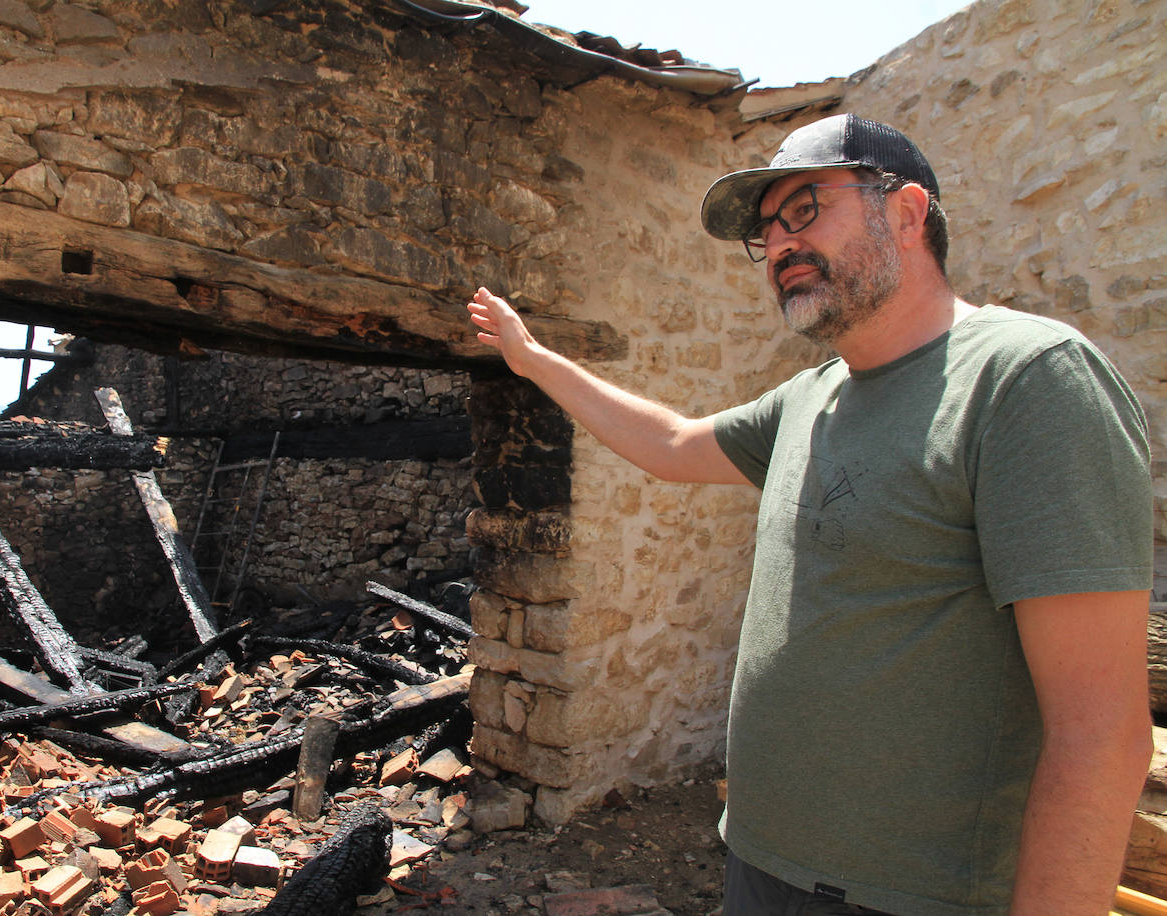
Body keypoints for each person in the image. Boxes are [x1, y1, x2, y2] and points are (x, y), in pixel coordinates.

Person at [467, 113, 1154, 915]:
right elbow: (672, 442)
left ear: (906, 214)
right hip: (761, 861)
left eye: (805, 211)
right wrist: (531, 358)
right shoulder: (812, 396)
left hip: (912, 895)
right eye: (768, 233)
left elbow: (1102, 735)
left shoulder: (1025, 380)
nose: (781, 246)